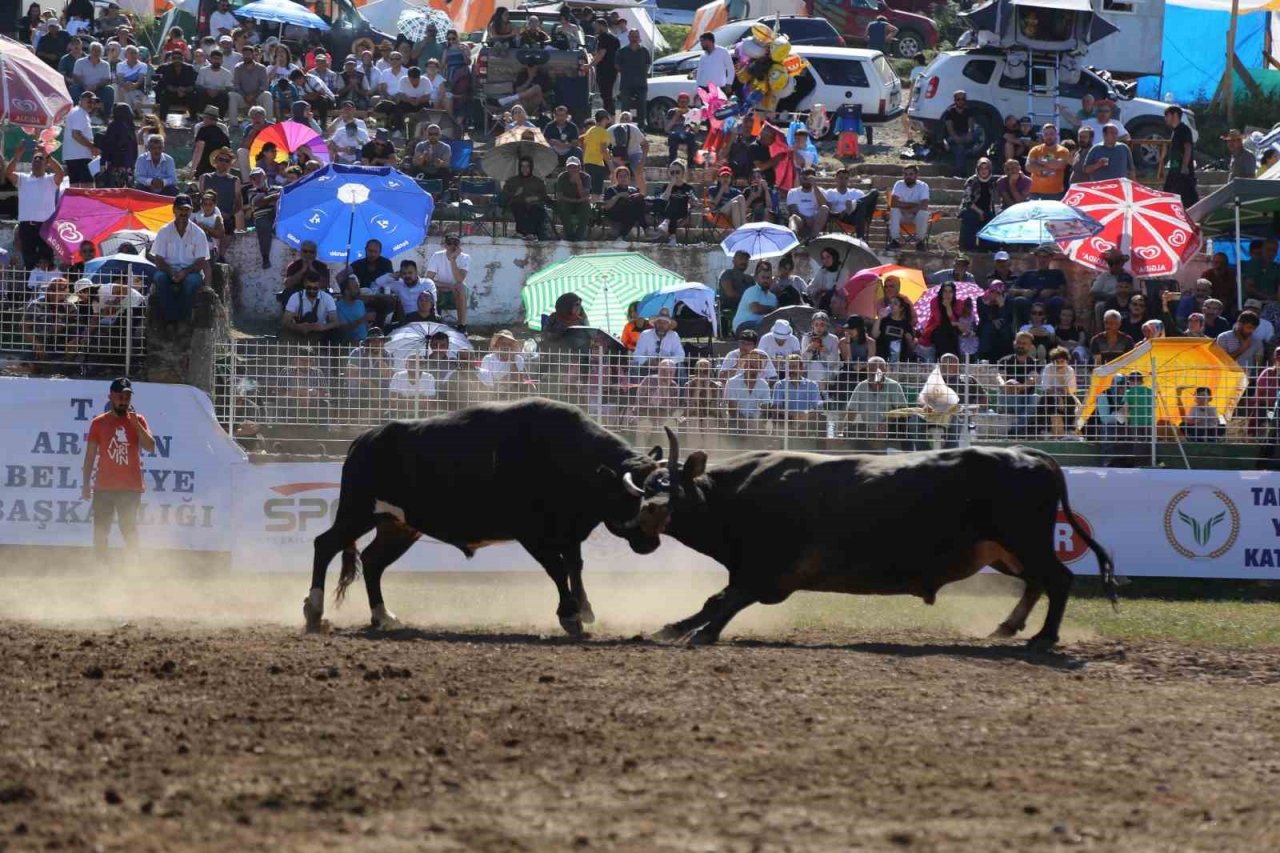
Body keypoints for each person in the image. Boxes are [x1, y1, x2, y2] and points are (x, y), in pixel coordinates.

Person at [81, 377, 155, 567]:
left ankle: (133, 567)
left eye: (127, 397)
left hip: (130, 487)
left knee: (128, 528)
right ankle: (101, 567)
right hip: (104, 486)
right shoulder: (98, 423)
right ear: (111, 397)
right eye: (119, 396)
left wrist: (136, 425)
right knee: (100, 530)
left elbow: (150, 447)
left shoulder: (139, 420)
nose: (123, 400)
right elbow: (89, 456)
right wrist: (85, 484)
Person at [149, 195, 211, 323]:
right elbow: (159, 259)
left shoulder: (199, 233)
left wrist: (185, 272)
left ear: (191, 210)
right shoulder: (164, 231)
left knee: (190, 282)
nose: (183, 213)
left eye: (186, 210)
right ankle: (172, 320)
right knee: (160, 278)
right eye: (180, 209)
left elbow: (201, 261)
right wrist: (171, 271)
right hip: (168, 270)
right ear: (174, 210)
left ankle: (181, 320)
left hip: (191, 272)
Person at [7, 141, 63, 270]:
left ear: (46, 163)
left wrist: (47, 154)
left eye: (40, 158)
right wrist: (17, 155)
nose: (37, 160)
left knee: (46, 260)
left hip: (45, 226)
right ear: (31, 163)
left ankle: (45, 288)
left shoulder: (51, 179)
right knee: (29, 260)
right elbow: (9, 173)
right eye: (35, 158)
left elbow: (60, 173)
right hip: (26, 226)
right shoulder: (23, 178)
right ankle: (31, 288)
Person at [845, 357, 908, 447]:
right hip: (868, 431)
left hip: (891, 430)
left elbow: (903, 410)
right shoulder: (861, 386)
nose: (876, 372)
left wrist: (886, 422)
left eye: (879, 369)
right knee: (855, 434)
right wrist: (845, 428)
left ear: (885, 369)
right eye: (872, 369)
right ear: (867, 369)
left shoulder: (894, 385)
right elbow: (851, 411)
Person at [997, 332, 1041, 436]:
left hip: (1025, 398)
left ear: (1030, 346)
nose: (1021, 345)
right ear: (1014, 343)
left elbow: (1032, 378)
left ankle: (1015, 429)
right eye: (1019, 342)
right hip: (1009, 397)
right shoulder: (1005, 360)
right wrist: (1006, 385)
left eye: (1024, 343)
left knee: (1035, 398)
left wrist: (1019, 388)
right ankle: (1021, 427)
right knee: (1005, 394)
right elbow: (1000, 377)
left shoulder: (1035, 363)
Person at [1009, 245, 1066, 324]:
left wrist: (1051, 291)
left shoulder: (1057, 273)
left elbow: (1063, 291)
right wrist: (1023, 292)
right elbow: (1011, 290)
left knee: (1057, 301)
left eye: (1045, 257)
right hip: (1029, 304)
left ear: (1050, 258)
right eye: (1039, 257)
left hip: (1048, 304)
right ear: (1036, 258)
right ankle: (1024, 330)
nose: (1042, 260)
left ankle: (1051, 329)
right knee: (1019, 301)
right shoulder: (1027, 274)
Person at [282, 270, 339, 343]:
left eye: (315, 288)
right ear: (305, 284)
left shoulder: (327, 298)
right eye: (309, 288)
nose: (312, 290)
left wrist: (322, 327)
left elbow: (335, 321)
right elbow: (285, 321)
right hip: (300, 331)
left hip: (320, 332)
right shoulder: (295, 297)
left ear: (319, 286)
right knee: (284, 333)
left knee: (336, 333)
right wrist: (297, 327)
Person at [426, 234, 469, 331]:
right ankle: (433, 322)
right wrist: (448, 286)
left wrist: (452, 260)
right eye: (449, 243)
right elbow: (429, 279)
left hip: (456, 289)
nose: (452, 246)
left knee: (460, 287)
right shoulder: (437, 256)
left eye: (456, 243)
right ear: (445, 245)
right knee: (429, 289)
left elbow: (459, 279)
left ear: (459, 245)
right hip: (442, 287)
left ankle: (462, 326)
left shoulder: (465, 257)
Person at [504, 156, 551, 241]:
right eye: (522, 166)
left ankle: (531, 234)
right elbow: (505, 194)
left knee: (535, 209)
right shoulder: (513, 181)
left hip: (534, 204)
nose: (525, 169)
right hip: (517, 204)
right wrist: (515, 193)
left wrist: (536, 197)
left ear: (531, 167)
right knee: (519, 207)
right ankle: (523, 233)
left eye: (527, 166)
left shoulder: (537, 181)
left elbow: (544, 196)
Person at [825, 167, 877, 241]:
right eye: (841, 178)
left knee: (874, 192)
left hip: (855, 218)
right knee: (859, 205)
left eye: (846, 178)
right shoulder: (830, 193)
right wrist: (838, 213)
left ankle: (853, 205)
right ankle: (860, 237)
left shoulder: (856, 192)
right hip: (841, 218)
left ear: (848, 180)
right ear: (836, 179)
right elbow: (828, 209)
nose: (843, 180)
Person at [651, 160, 695, 246]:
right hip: (669, 211)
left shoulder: (688, 187)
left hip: (682, 212)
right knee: (672, 204)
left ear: (683, 173)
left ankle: (667, 223)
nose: (675, 175)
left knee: (675, 201)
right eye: (672, 172)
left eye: (677, 172)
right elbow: (664, 199)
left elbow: (692, 199)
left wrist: (693, 201)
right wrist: (671, 185)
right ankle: (672, 238)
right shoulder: (666, 186)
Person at [724, 351, 771, 427]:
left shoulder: (764, 385)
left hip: (756, 422)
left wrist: (757, 422)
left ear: (760, 368)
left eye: (757, 365)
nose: (754, 368)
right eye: (751, 365)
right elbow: (732, 410)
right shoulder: (732, 382)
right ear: (745, 366)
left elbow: (766, 408)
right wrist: (747, 424)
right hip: (736, 422)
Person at [958, 157, 997, 251]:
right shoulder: (971, 181)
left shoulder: (992, 181)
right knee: (970, 218)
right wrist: (979, 212)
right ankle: (968, 247)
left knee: (992, 219)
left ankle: (987, 248)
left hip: (986, 210)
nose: (984, 171)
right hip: (971, 208)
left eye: (986, 168)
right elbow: (967, 200)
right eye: (981, 168)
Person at [887, 166, 929, 250]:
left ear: (917, 175)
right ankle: (894, 240)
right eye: (905, 174)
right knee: (894, 210)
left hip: (915, 217)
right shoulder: (899, 184)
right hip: (902, 216)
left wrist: (905, 207)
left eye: (911, 174)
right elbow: (893, 203)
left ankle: (920, 242)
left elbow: (924, 205)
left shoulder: (923, 186)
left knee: (923, 213)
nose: (908, 176)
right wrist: (915, 205)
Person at [62, 91, 99, 188]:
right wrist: (92, 146)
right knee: (88, 187)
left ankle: (75, 203)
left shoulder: (77, 112)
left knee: (75, 186)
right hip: (80, 156)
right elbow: (76, 135)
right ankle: (87, 204)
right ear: (81, 101)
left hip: (74, 156)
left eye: (94, 102)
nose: (92, 104)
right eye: (89, 101)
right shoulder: (79, 113)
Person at [1163, 105, 1197, 209]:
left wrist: (1185, 166)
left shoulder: (1184, 129)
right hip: (1174, 170)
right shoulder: (1175, 131)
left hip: (1182, 172)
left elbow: (1187, 148)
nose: (1165, 118)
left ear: (1175, 115)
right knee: (1168, 194)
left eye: (1167, 115)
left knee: (1188, 198)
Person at [601, 165, 647, 241]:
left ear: (629, 177)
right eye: (620, 176)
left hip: (629, 213)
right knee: (634, 209)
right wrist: (619, 195)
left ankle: (621, 236)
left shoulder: (633, 190)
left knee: (637, 204)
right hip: (615, 213)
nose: (623, 178)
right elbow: (607, 206)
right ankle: (646, 228)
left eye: (625, 176)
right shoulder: (611, 190)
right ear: (617, 178)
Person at [633, 307, 685, 372]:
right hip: (648, 367)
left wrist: (666, 362)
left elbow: (680, 355)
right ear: (654, 324)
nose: (661, 325)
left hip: (668, 368)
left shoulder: (673, 335)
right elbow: (637, 354)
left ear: (669, 325)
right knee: (635, 365)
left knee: (680, 366)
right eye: (659, 322)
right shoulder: (645, 334)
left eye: (665, 323)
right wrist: (647, 361)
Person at [732, 263, 778, 335]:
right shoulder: (752, 290)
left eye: (768, 278)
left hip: (761, 325)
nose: (765, 280)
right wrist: (772, 309)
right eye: (763, 277)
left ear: (771, 279)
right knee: (764, 326)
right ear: (757, 278)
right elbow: (756, 309)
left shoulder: (773, 297)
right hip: (743, 325)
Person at [554, 157, 593, 242]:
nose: (572, 169)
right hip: (567, 201)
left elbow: (585, 195)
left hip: (581, 202)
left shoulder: (586, 177)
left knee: (586, 207)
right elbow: (559, 196)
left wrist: (579, 182)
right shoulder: (562, 177)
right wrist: (573, 200)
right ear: (566, 168)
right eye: (570, 167)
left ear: (579, 167)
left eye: (575, 167)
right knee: (563, 207)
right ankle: (569, 235)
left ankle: (580, 235)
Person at [1026, 124, 1070, 200]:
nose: (1049, 136)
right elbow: (1029, 167)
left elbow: (1057, 165)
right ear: (1043, 136)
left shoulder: (1063, 151)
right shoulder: (1035, 150)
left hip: (1055, 193)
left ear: (1056, 135)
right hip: (1035, 193)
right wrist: (1048, 168)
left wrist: (1038, 162)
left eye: (1051, 134)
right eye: (1046, 134)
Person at [785, 167, 829, 242]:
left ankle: (811, 239)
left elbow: (823, 204)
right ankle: (792, 239)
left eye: (808, 179)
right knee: (793, 217)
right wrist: (806, 219)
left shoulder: (820, 191)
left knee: (824, 208)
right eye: (804, 178)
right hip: (801, 221)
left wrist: (814, 185)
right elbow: (793, 210)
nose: (806, 181)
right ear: (800, 178)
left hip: (816, 221)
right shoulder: (793, 192)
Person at [230, 44, 271, 122]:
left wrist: (254, 95)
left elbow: (264, 86)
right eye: (244, 54)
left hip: (257, 96)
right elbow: (236, 86)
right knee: (232, 95)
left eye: (248, 54)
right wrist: (245, 96)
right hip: (242, 97)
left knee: (267, 95)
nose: (246, 56)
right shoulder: (238, 68)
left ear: (252, 55)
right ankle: (233, 124)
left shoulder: (261, 68)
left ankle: (269, 123)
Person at [71, 40, 114, 116]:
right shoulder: (80, 62)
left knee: (109, 90)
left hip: (98, 88)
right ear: (90, 51)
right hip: (82, 87)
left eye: (98, 51)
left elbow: (107, 80)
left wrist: (96, 86)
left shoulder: (105, 65)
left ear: (101, 53)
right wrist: (85, 86)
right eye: (94, 50)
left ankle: (106, 115)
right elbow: (75, 77)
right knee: (74, 88)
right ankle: (74, 113)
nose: (96, 53)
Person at [155, 49, 197, 120]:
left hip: (185, 94)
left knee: (193, 95)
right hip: (171, 94)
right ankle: (162, 120)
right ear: (171, 58)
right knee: (164, 96)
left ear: (183, 58)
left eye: (179, 58)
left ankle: (193, 118)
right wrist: (177, 90)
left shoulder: (190, 68)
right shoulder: (164, 68)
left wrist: (184, 90)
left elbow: (193, 85)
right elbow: (163, 84)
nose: (177, 60)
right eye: (174, 58)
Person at [617, 29, 650, 117]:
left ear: (639, 37)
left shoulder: (644, 51)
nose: (634, 38)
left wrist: (642, 74)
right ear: (628, 37)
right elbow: (617, 65)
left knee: (642, 106)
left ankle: (641, 126)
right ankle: (624, 124)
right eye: (632, 36)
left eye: (636, 36)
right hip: (626, 83)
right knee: (625, 107)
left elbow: (648, 65)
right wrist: (627, 72)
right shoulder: (622, 51)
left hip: (641, 84)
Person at [872, 296, 917, 362]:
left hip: (899, 359)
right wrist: (879, 318)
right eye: (890, 303)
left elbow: (911, 346)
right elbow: (874, 335)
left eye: (895, 303)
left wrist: (909, 340)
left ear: (901, 308)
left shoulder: (906, 325)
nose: (892, 305)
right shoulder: (884, 321)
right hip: (883, 358)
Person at [941, 90, 975, 177]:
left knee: (960, 147)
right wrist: (957, 138)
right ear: (955, 100)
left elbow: (971, 127)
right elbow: (950, 129)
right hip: (952, 137)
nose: (961, 101)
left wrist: (969, 134)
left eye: (963, 99)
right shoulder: (949, 112)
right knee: (960, 148)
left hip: (964, 135)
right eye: (958, 99)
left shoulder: (969, 111)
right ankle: (961, 173)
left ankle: (958, 172)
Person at [592, 17, 620, 114]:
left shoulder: (603, 37)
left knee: (606, 95)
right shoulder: (615, 38)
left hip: (604, 70)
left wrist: (591, 65)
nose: (595, 29)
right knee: (609, 95)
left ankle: (608, 116)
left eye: (596, 27)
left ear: (601, 26)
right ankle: (609, 116)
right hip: (613, 70)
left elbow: (601, 54)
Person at [582, 109, 611, 192]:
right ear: (604, 119)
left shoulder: (589, 131)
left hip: (587, 163)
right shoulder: (603, 132)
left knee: (588, 190)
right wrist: (611, 166)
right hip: (597, 164)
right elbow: (603, 150)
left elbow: (584, 147)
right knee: (596, 192)